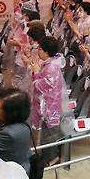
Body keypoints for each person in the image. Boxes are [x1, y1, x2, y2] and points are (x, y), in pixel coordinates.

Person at [22, 35, 66, 165]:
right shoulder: (49, 63)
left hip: (50, 105)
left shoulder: (51, 67)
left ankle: (52, 157)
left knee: (49, 134)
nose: (38, 51)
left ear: (46, 51)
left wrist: (35, 73)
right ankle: (48, 155)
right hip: (48, 103)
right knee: (47, 132)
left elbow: (41, 86)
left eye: (40, 49)